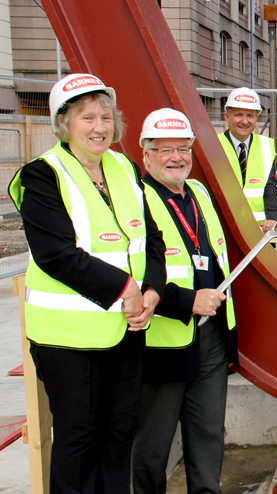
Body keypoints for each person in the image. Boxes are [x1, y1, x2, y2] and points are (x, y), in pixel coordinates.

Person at [8, 73, 166, 493]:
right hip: (68, 338)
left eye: (106, 117)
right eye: (87, 118)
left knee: (118, 437)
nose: (100, 127)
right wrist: (125, 290)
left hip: (125, 331)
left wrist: (153, 289)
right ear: (64, 123)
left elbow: (151, 238)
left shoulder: (123, 167)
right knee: (78, 441)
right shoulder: (41, 175)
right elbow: (57, 254)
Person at [132, 109, 238, 494]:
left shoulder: (198, 193)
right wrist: (187, 301)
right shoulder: (136, 200)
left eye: (183, 148)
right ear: (146, 154)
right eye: (165, 150)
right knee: (152, 445)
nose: (177, 157)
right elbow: (136, 274)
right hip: (161, 342)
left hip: (209, 336)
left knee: (208, 432)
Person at [218, 87, 277, 232]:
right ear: (227, 117)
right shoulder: (213, 146)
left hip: (260, 231)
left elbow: (270, 188)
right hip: (225, 230)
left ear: (256, 118)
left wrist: (273, 218)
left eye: (250, 116)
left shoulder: (266, 146)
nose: (244, 121)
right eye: (238, 115)